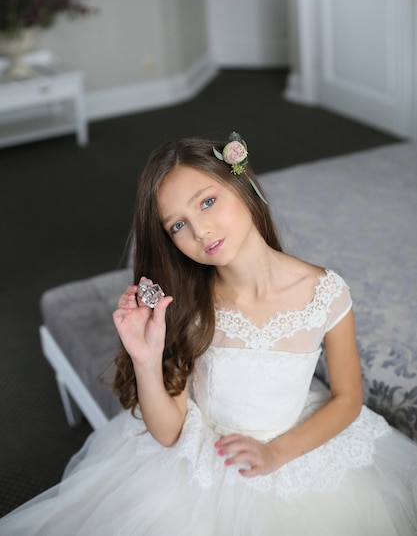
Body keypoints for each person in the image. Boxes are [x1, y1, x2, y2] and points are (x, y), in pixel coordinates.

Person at [1, 132, 416, 535]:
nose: (199, 231)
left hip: (293, 452)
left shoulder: (327, 293)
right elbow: (168, 432)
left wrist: (276, 454)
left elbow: (348, 399)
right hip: (204, 460)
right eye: (177, 225)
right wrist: (146, 360)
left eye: (208, 202)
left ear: (244, 184)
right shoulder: (189, 304)